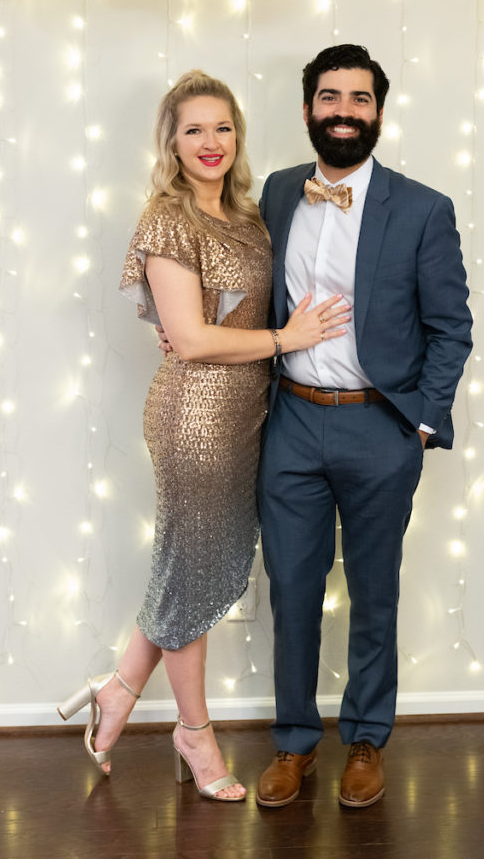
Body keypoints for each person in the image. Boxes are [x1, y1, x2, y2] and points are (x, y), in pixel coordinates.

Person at [57, 70, 349, 802]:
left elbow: (222, 314)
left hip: (248, 416)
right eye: (194, 130)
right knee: (197, 574)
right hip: (193, 417)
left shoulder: (249, 217)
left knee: (197, 567)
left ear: (237, 137)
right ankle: (194, 733)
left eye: (222, 127)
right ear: (172, 143)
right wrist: (286, 338)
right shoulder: (167, 218)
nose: (210, 143)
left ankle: (120, 687)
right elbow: (189, 338)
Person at [254, 44, 473, 809]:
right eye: (329, 97)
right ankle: (292, 744)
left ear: (379, 111)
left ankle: (367, 740)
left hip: (381, 429)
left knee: (374, 593)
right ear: (309, 109)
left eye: (359, 99)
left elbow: (452, 329)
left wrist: (420, 422)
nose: (343, 111)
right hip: (290, 425)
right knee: (291, 589)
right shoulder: (279, 193)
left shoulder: (421, 208)